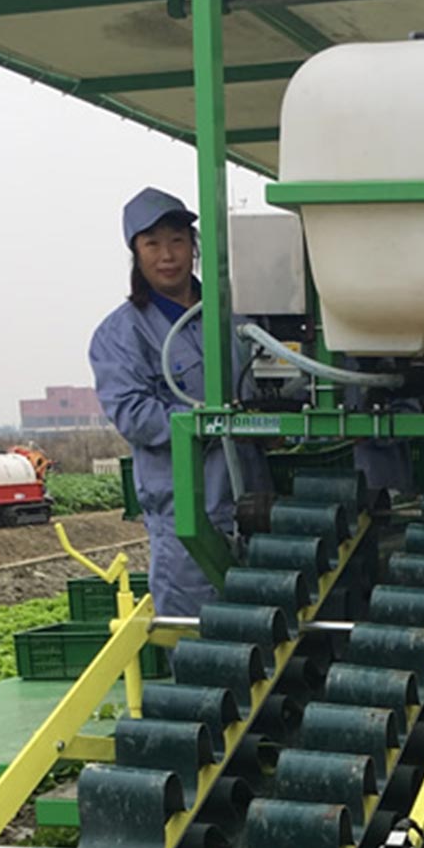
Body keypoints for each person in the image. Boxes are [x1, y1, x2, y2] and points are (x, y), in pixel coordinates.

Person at [90, 187, 272, 617]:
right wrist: (212, 423)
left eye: (177, 240)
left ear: (194, 247)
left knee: (267, 627)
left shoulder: (238, 316)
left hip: (256, 502)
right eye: (152, 243)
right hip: (187, 513)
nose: (167, 255)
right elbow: (134, 416)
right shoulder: (120, 334)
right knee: (196, 635)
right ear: (136, 253)